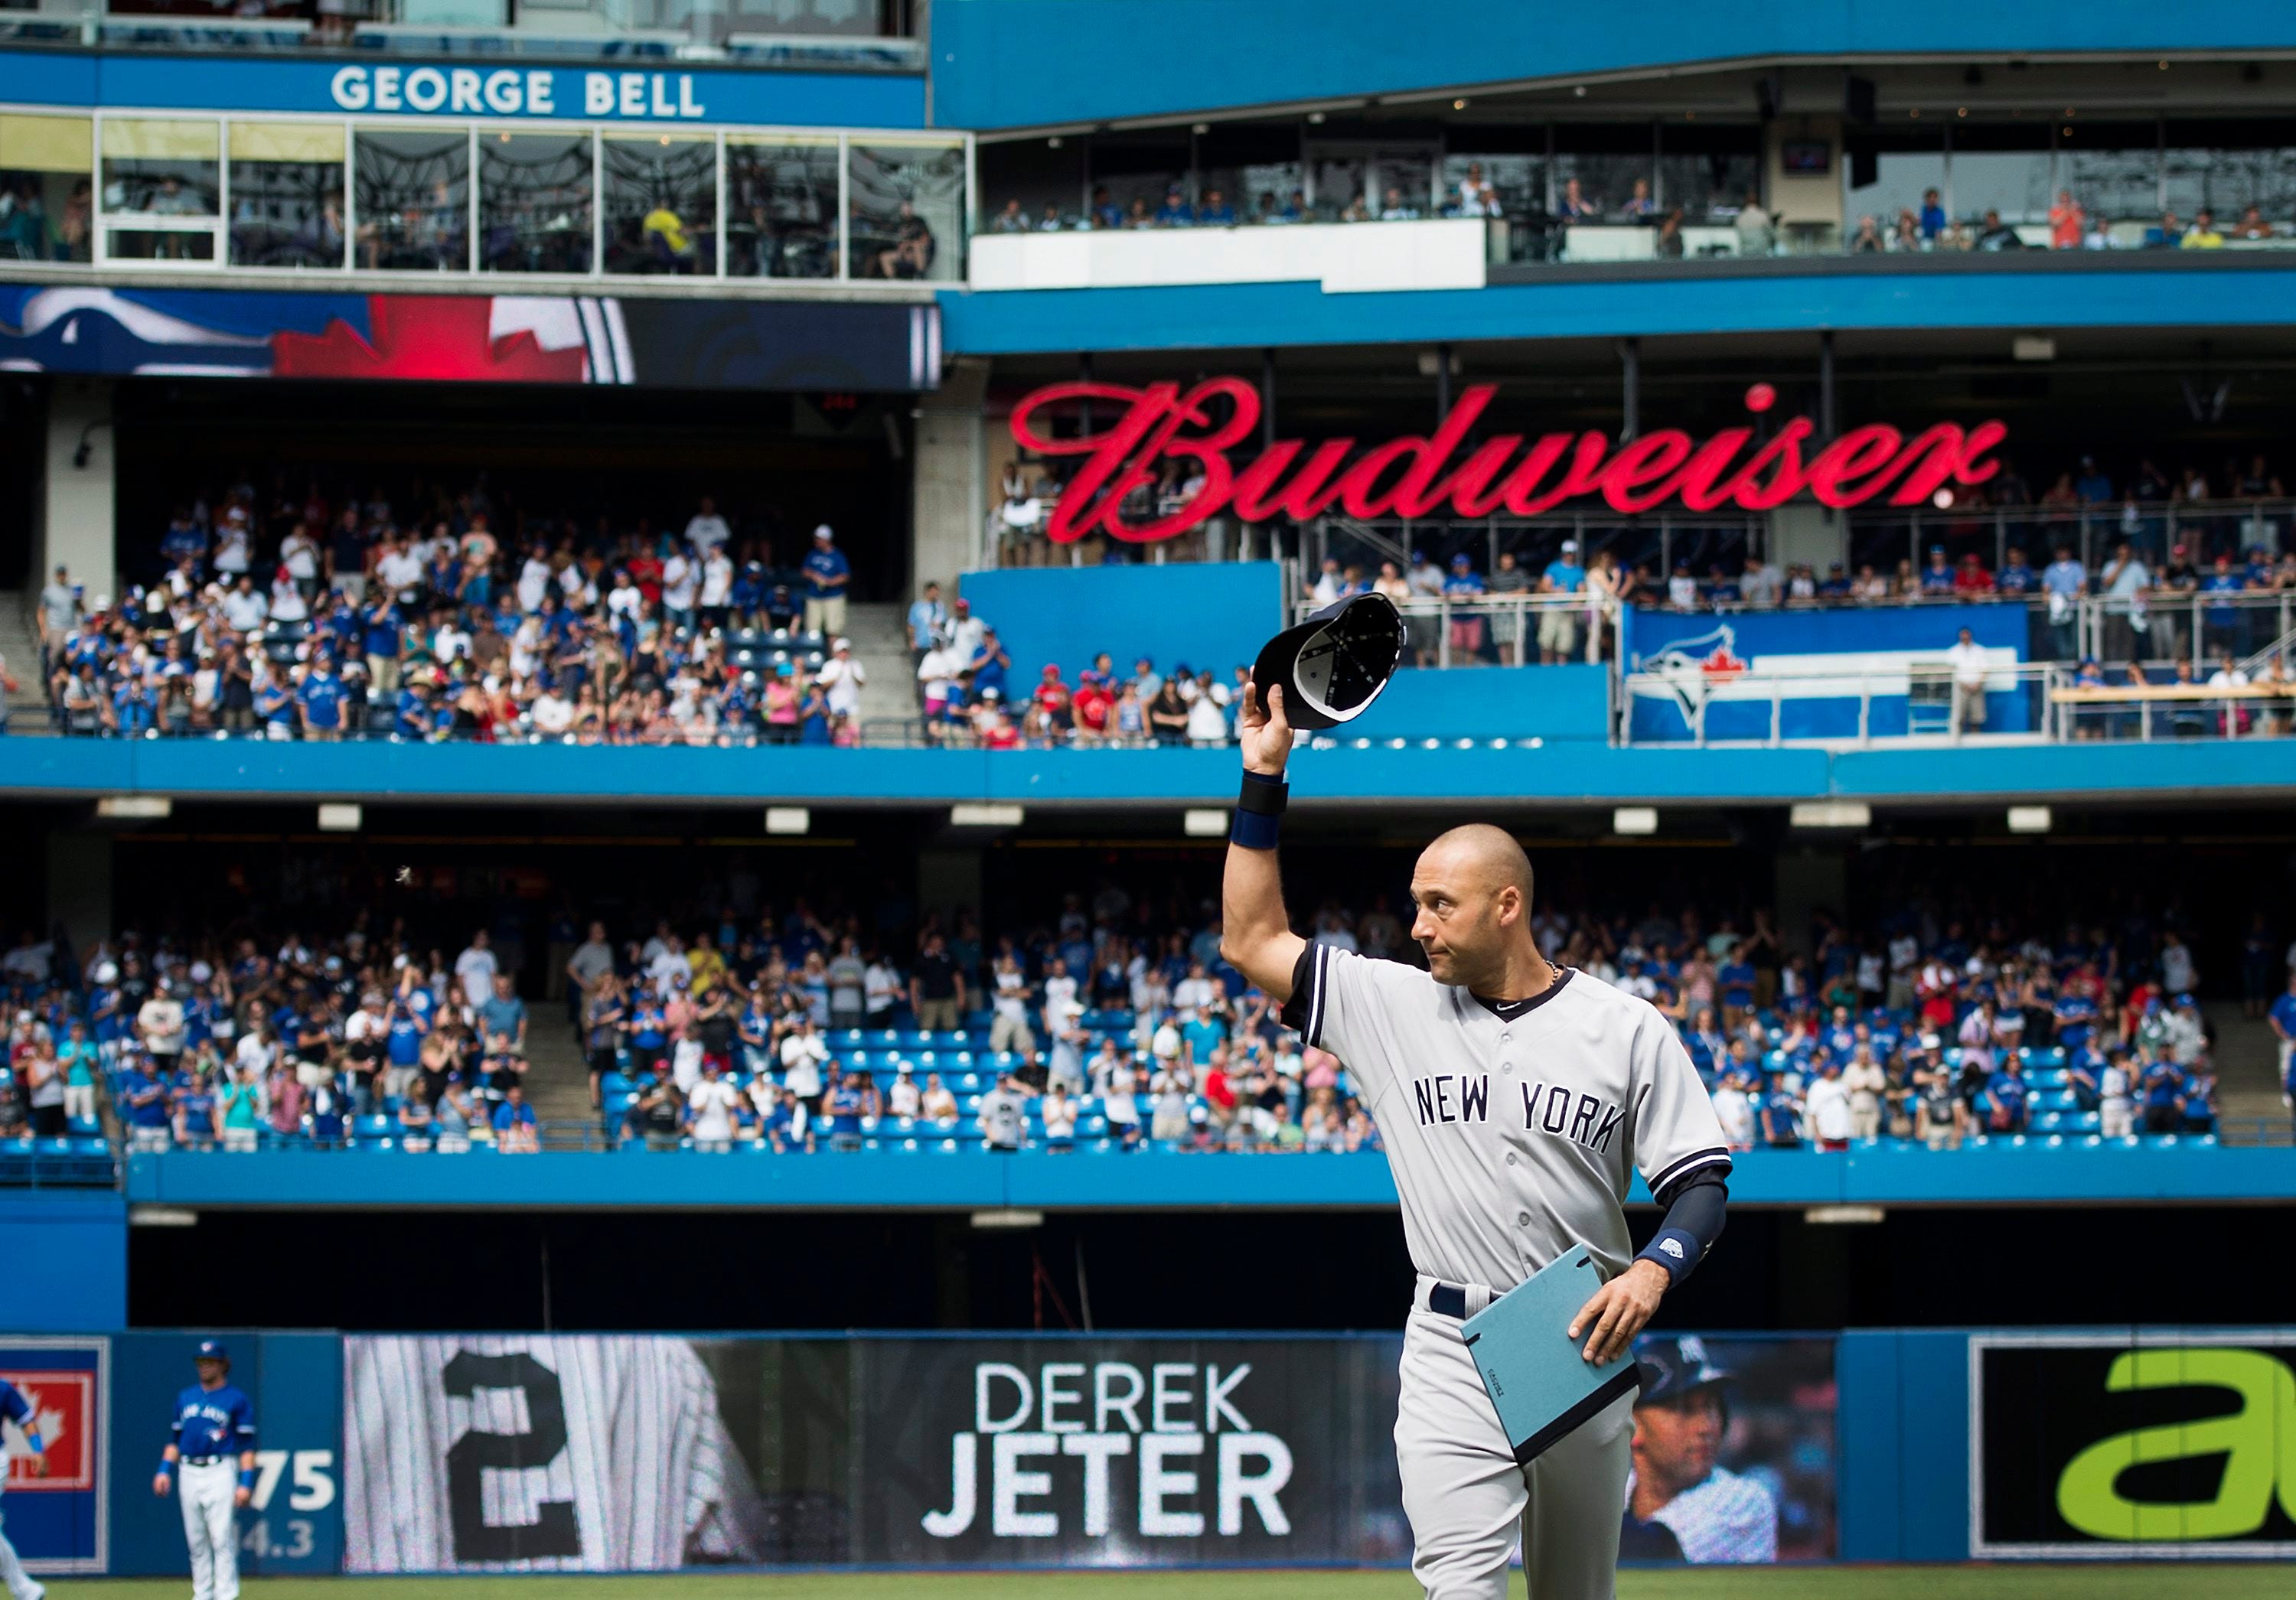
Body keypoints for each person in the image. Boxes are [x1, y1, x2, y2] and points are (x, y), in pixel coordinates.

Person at [1218, 676, 1729, 1600]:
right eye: (1415, 903)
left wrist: (1657, 1269)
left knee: (1574, 1593)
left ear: (1507, 904)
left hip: (1580, 1336)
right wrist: (1264, 779)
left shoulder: (1623, 1026)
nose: (1418, 927)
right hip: (1451, 1337)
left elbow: (1700, 1179)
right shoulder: (1391, 1004)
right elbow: (1252, 940)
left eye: (1440, 905)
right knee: (1461, 1587)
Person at [1618, 1338, 1778, 1563]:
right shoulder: (1619, 1490)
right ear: (1632, 1425)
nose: (1706, 1427)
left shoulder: (1742, 1501)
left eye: (1710, 1407)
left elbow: (1649, 1552)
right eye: (1685, 1409)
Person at [155, 1339, 256, 1600]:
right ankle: (202, 1594)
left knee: (221, 1537)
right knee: (196, 1540)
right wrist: (164, 1470)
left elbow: (246, 1446)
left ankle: (226, 1595)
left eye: (209, 1361)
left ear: (223, 1364)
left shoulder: (236, 1399)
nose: (204, 1367)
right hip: (188, 1470)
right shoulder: (185, 1397)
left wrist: (246, 1483)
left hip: (220, 1469)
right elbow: (175, 1440)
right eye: (201, 1362)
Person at [0, 1371, 49, 1600]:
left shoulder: (3, 1389)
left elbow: (26, 1420)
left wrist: (38, 1450)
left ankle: (26, 1590)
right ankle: (28, 1591)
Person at [801, 525, 851, 638]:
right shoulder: (812, 554)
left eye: (819, 538)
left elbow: (845, 576)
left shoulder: (838, 556)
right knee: (812, 631)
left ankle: (833, 655)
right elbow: (805, 571)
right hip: (814, 596)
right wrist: (814, 575)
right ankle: (813, 655)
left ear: (826, 539)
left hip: (833, 596)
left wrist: (829, 582)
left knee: (833, 631)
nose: (816, 541)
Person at [1945, 626, 1991, 734]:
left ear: (1971, 636)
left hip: (1977, 686)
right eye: (1963, 637)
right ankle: (1957, 740)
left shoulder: (1980, 650)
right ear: (1960, 637)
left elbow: (1986, 669)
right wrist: (1963, 685)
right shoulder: (1952, 652)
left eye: (1967, 636)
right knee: (1959, 715)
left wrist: (1977, 684)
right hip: (1960, 687)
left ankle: (1975, 739)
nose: (1965, 639)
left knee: (1977, 717)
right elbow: (1951, 672)